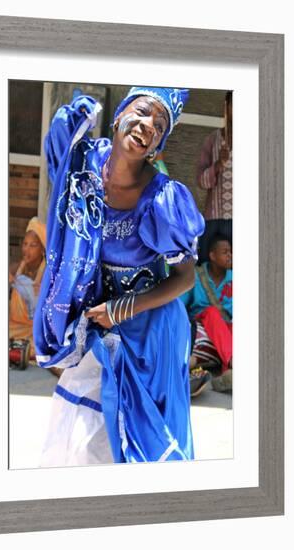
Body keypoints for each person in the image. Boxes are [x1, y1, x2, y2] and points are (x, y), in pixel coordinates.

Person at [33, 87, 205, 467]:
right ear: (119, 115)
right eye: (142, 112)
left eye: (159, 126)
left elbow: (186, 278)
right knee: (84, 430)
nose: (147, 126)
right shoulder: (84, 166)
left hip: (152, 333)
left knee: (142, 445)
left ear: (157, 146)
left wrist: (121, 308)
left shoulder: (162, 198)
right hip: (102, 322)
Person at [181, 234, 232, 392]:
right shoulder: (196, 276)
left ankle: (226, 376)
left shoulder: (235, 277)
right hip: (201, 325)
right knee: (211, 312)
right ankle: (232, 363)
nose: (230, 256)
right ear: (212, 256)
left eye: (231, 252)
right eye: (225, 252)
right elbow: (179, 305)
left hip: (226, 329)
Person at [196, 92, 232, 264]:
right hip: (213, 218)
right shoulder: (212, 140)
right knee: (204, 264)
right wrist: (218, 165)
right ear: (226, 108)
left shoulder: (255, 140)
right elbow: (201, 182)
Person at [9, 217, 46, 358]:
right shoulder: (15, 269)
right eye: (25, 244)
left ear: (42, 248)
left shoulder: (48, 274)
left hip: (38, 329)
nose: (27, 249)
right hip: (17, 328)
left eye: (33, 245)